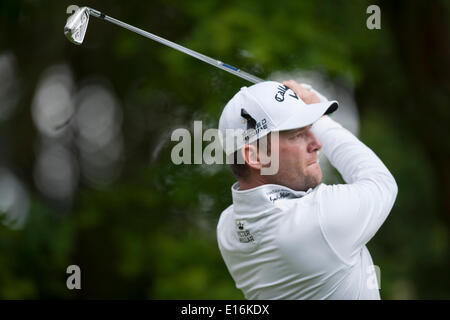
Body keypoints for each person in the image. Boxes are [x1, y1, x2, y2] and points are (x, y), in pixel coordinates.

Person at [216, 80, 398, 299]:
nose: (317, 143)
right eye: (298, 135)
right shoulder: (320, 219)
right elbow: (380, 181)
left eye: (311, 129)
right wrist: (321, 115)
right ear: (255, 156)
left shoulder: (228, 228)